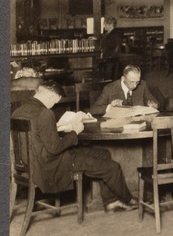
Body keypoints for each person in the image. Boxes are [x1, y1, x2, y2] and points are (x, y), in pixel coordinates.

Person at [12, 80, 136, 212]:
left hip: (31, 163)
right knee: (113, 167)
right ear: (50, 97)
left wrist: (57, 128)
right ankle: (130, 200)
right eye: (54, 102)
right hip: (51, 164)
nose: (53, 106)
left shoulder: (18, 110)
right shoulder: (45, 113)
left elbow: (38, 135)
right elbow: (55, 148)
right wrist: (75, 132)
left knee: (103, 153)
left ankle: (111, 201)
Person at [91, 65, 160, 114]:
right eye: (131, 82)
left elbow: (155, 102)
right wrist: (110, 106)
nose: (135, 85)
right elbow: (94, 109)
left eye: (137, 82)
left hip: (138, 124)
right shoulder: (109, 88)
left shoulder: (142, 85)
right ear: (123, 78)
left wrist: (153, 104)